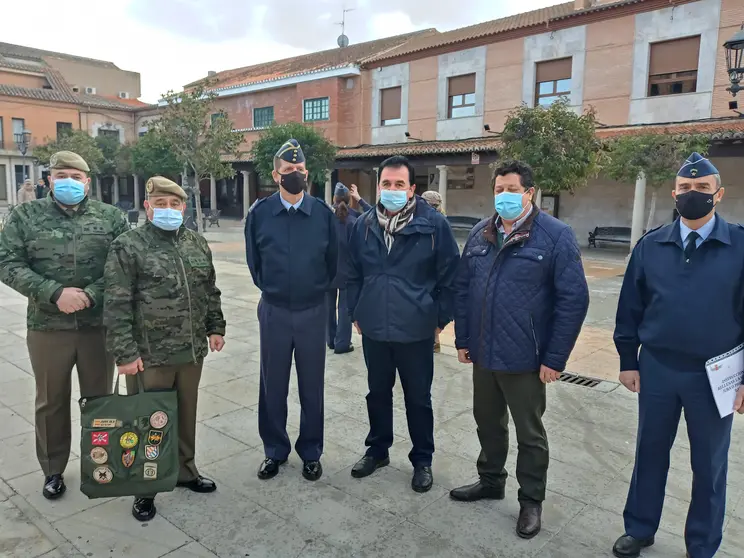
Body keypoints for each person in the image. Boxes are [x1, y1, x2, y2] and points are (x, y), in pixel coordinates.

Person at [611, 152, 744, 558]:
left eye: (702, 188)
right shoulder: (652, 245)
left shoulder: (740, 245)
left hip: (715, 374)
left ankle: (701, 544)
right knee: (649, 452)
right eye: (685, 188)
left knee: (710, 465)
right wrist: (627, 361)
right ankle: (639, 528)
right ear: (673, 193)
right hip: (658, 370)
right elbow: (629, 308)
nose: (693, 194)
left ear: (718, 194)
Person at [449, 160, 589, 540]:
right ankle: (490, 480)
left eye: (512, 189)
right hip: (483, 353)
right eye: (499, 190)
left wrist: (555, 358)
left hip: (526, 359)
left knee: (530, 434)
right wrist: (463, 339)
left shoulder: (555, 236)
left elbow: (573, 300)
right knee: (487, 423)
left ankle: (530, 501)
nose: (504, 197)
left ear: (530, 192)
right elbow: (462, 290)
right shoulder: (481, 233)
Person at [0, 150, 129, 500]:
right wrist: (53, 293)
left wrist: (89, 295)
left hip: (96, 327)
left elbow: (122, 268)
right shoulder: (25, 216)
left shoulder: (111, 217)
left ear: (87, 181)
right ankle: (53, 469)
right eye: (61, 176)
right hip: (47, 327)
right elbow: (7, 262)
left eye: (76, 177)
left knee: (100, 400)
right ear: (49, 180)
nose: (69, 182)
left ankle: (101, 464)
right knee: (51, 401)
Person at [104, 176, 226, 522]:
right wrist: (124, 353)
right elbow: (116, 304)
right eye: (161, 203)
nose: (168, 210)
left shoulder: (196, 243)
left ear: (184, 207)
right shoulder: (128, 246)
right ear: (148, 206)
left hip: (190, 353)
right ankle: (146, 487)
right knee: (149, 422)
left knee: (185, 416)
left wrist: (215, 327)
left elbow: (209, 290)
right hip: (149, 356)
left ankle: (186, 470)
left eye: (175, 204)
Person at [346, 155, 460, 493]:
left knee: (418, 398)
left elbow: (451, 276)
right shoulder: (363, 225)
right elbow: (352, 274)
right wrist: (356, 311)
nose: (392, 190)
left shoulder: (433, 226)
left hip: (417, 329)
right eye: (386, 184)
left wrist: (438, 319)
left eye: (399, 184)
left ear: (412, 189)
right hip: (375, 329)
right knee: (377, 393)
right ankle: (377, 450)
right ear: (378, 187)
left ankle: (422, 460)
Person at [245, 139, 337, 482]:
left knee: (312, 386)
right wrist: (274, 291)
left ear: (307, 174)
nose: (294, 175)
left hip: (313, 311)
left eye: (299, 170)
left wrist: (313, 293)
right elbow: (255, 265)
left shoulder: (323, 215)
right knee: (273, 385)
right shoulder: (260, 214)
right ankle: (274, 451)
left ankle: (311, 451)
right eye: (287, 171)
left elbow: (333, 265)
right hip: (275, 311)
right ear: (275, 175)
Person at [327, 183, 358, 354]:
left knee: (328, 308)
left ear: (334, 199)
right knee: (345, 309)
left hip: (328, 272)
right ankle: (342, 343)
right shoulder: (354, 222)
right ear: (349, 200)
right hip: (348, 273)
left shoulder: (326, 221)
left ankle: (330, 340)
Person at [421, 190, 446, 353]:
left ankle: (430, 339)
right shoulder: (443, 221)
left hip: (427, 275)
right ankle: (436, 339)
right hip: (438, 276)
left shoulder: (425, 221)